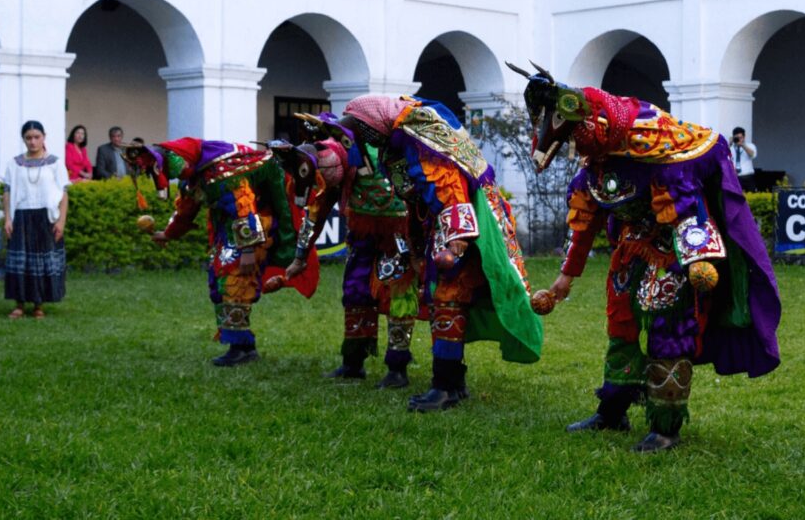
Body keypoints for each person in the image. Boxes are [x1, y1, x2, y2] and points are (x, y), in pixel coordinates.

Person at [509, 63, 780, 452]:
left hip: (671, 255)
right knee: (620, 329)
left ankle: (665, 427)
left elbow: (688, 210)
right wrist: (566, 276)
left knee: (668, 332)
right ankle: (612, 410)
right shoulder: (595, 167)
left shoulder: (656, 153)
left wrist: (699, 260)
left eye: (576, 138)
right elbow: (584, 222)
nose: (576, 149)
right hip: (629, 255)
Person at [330, 95, 544, 412]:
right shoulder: (396, 146)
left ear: (375, 120)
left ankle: (444, 387)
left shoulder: (420, 138)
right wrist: (418, 246)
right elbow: (415, 199)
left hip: (465, 226)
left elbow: (450, 187)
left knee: (449, 297)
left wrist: (456, 240)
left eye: (362, 128)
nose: (363, 136)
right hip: (437, 224)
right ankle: (453, 383)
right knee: (443, 298)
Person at [122, 138, 321, 366]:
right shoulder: (196, 178)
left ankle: (241, 348)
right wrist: (169, 234)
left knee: (234, 280)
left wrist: (248, 249)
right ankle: (241, 344)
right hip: (226, 231)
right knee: (218, 281)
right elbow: (186, 210)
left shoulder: (224, 173)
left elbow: (244, 207)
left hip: (253, 228)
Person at [283, 113, 426, 389]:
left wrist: (419, 248)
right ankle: (353, 362)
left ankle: (397, 367)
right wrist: (301, 256)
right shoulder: (339, 162)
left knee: (399, 297)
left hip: (401, 238)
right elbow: (317, 210)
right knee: (355, 293)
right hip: (361, 238)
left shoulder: (397, 149)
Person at [2, 121, 70, 319]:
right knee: (21, 262)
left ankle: (39, 305)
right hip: (21, 216)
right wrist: (8, 218)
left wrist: (61, 221)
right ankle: (19, 304)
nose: (32, 141)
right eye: (28, 138)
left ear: (44, 137)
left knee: (41, 261)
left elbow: (64, 194)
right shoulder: (14, 164)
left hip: (45, 217)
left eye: (36, 137)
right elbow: (7, 192)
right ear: (23, 139)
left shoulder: (55, 163)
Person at [730, 126, 758, 192]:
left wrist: (743, 145)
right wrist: (729, 143)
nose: (739, 140)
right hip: (735, 177)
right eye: (737, 138)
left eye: (741, 137)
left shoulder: (750, 146)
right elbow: (724, 157)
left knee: (750, 195)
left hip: (747, 177)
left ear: (744, 137)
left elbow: (753, 155)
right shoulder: (731, 148)